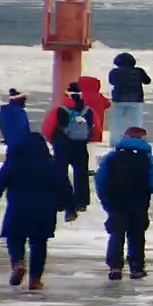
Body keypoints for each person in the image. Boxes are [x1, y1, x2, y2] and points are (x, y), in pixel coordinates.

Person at [0, 133, 77, 290]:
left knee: (15, 238)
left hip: (18, 210)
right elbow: (65, 188)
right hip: (44, 212)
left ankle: (18, 263)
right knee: (39, 244)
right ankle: (35, 279)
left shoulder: (13, 164)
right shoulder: (53, 165)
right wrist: (70, 209)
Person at [94, 126, 153, 281]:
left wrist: (106, 201)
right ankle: (137, 268)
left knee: (117, 233)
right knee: (137, 235)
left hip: (116, 203)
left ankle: (115, 267)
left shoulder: (111, 157)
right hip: (139, 203)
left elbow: (100, 180)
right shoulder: (149, 159)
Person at [48, 82, 95, 212]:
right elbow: (93, 128)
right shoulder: (88, 110)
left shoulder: (61, 109)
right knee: (81, 174)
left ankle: (61, 201)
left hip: (63, 145)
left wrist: (53, 141)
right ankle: (81, 202)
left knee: (60, 173)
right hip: (80, 145)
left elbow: (49, 127)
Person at [108, 52, 152, 147]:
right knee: (136, 121)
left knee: (117, 121)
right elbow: (148, 81)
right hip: (136, 100)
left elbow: (111, 82)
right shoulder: (139, 71)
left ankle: (115, 141)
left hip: (118, 99)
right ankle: (138, 141)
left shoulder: (114, 72)